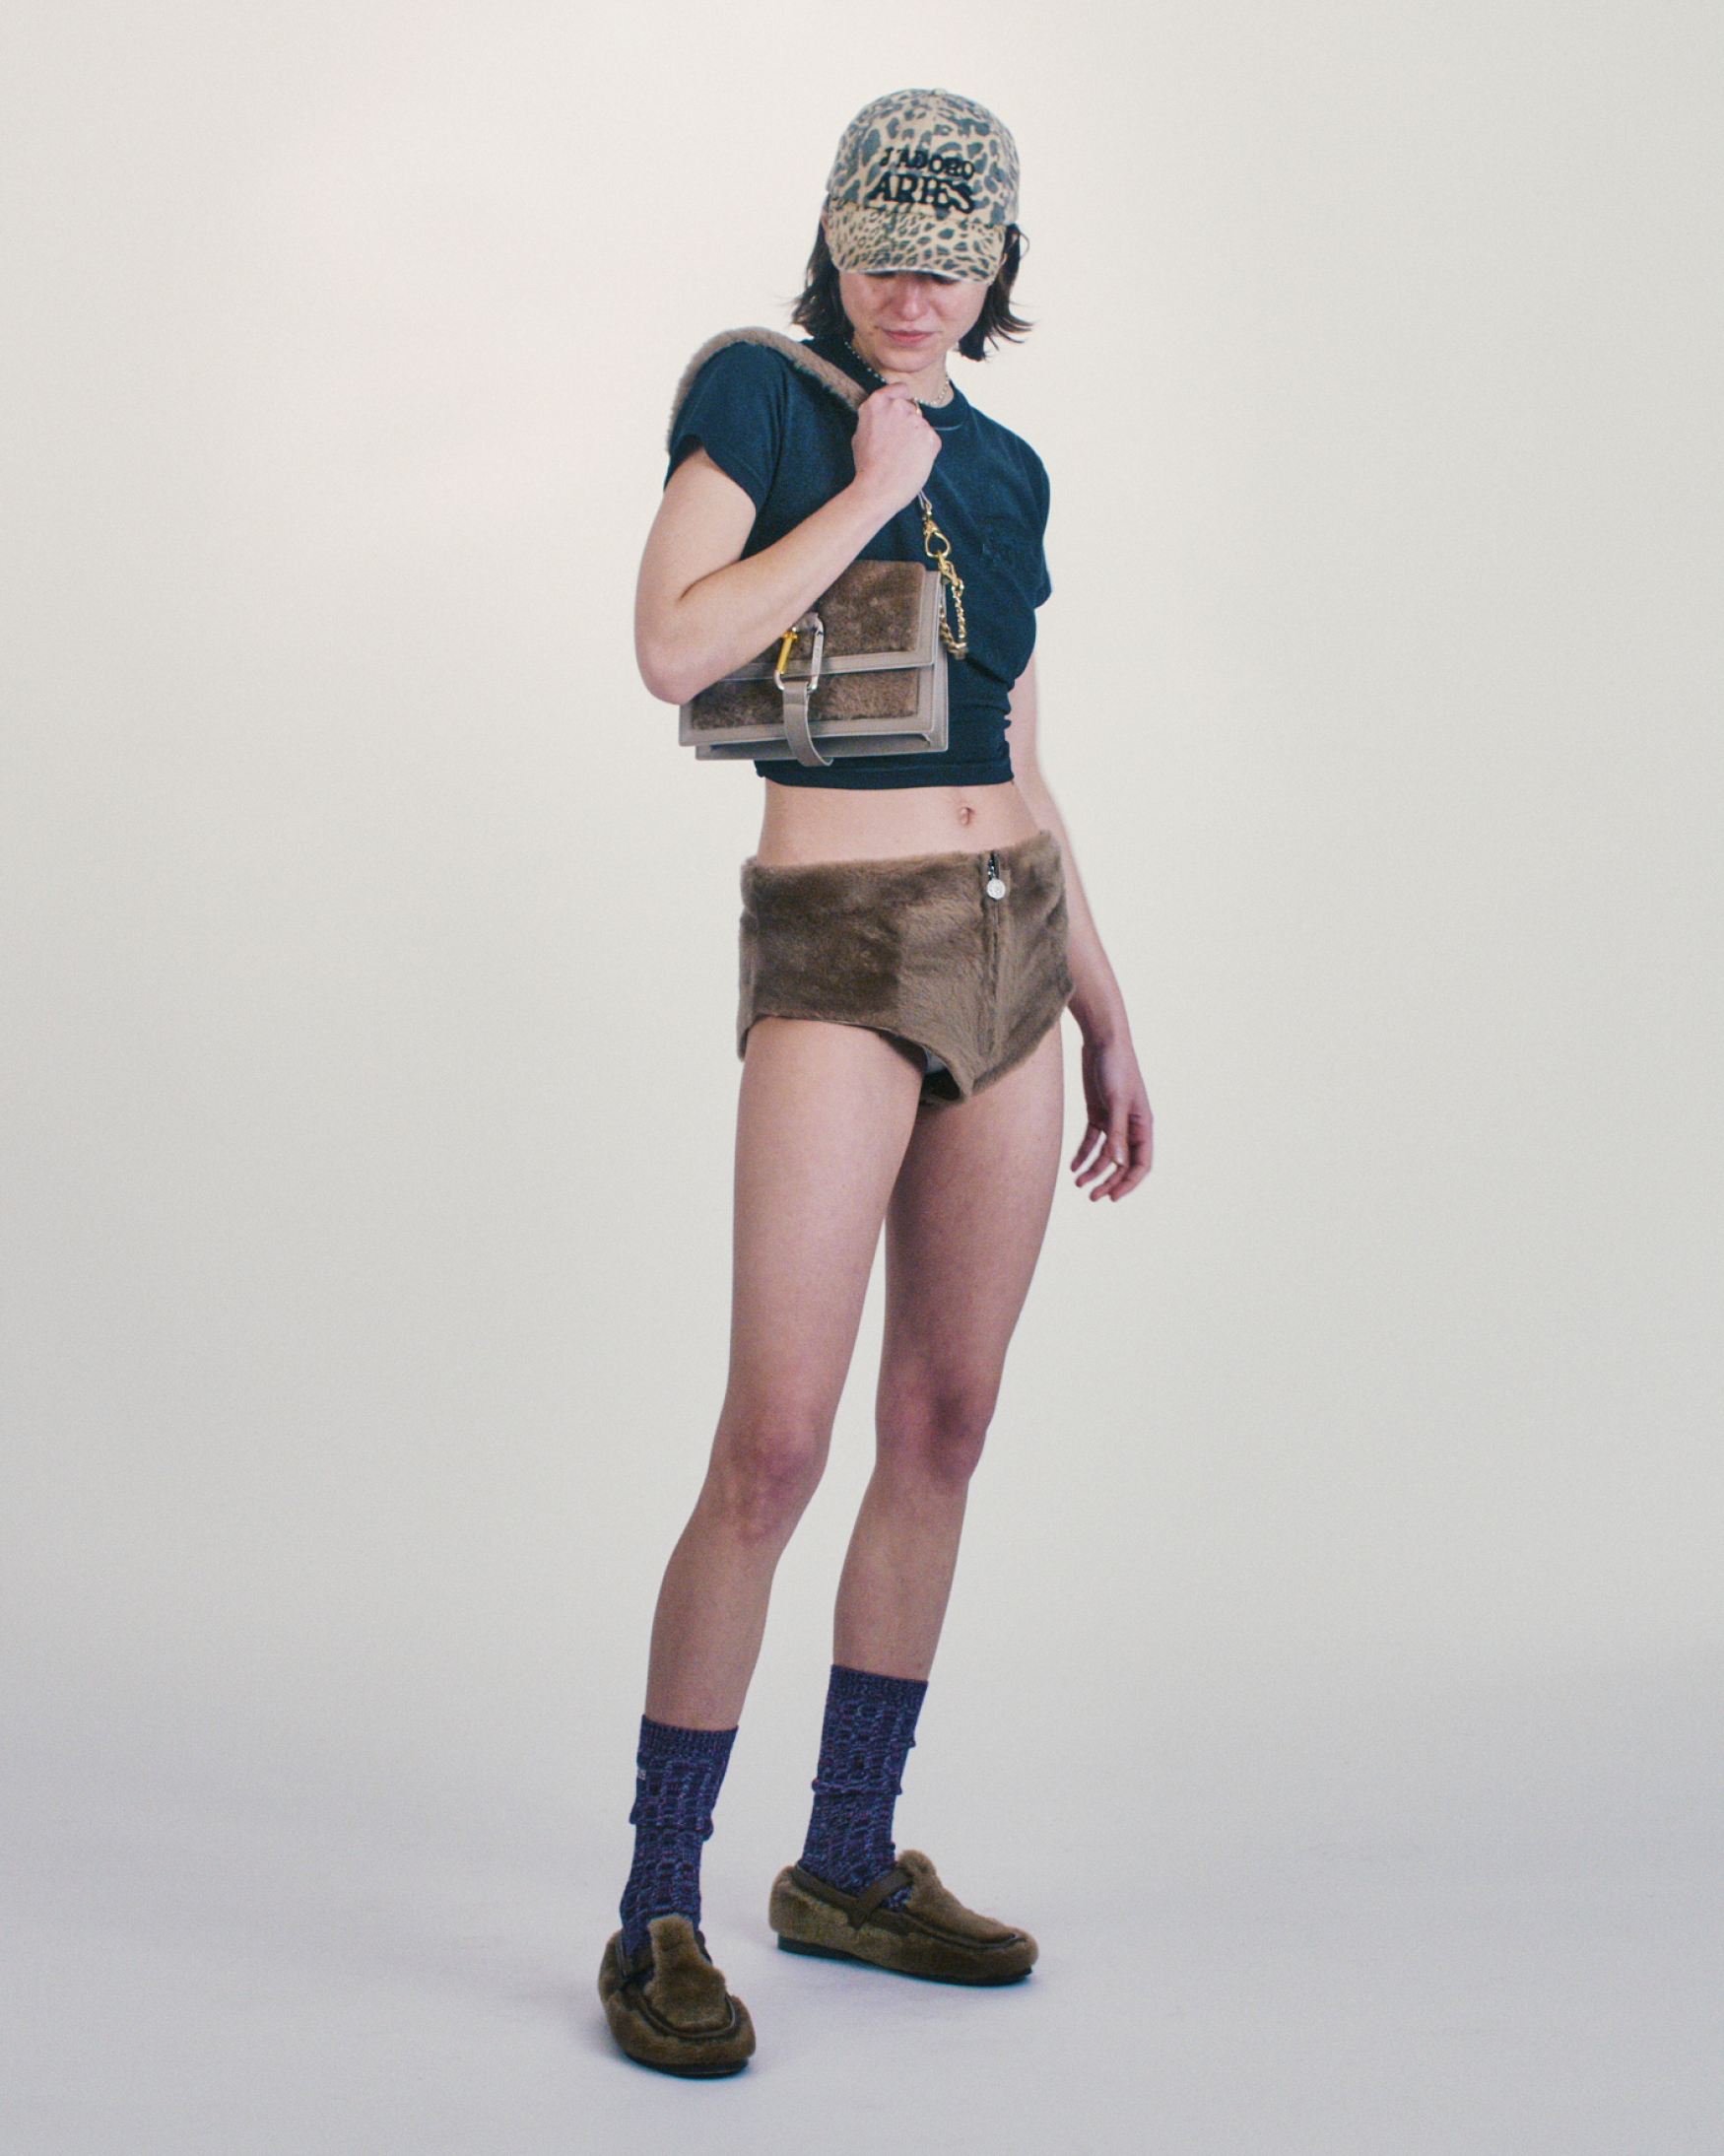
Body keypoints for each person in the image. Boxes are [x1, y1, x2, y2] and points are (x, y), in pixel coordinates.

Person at [599, 88, 1153, 2077]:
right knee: (772, 1438)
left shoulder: (1006, 469)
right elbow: (670, 649)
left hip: (1010, 934)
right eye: (880, 252)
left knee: (943, 1418)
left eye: (950, 260)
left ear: (999, 270)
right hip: (836, 945)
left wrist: (1104, 1003)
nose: (912, 291)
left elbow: (1018, 754)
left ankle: (843, 1860)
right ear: (831, 244)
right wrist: (856, 492)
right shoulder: (758, 396)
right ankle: (656, 1905)